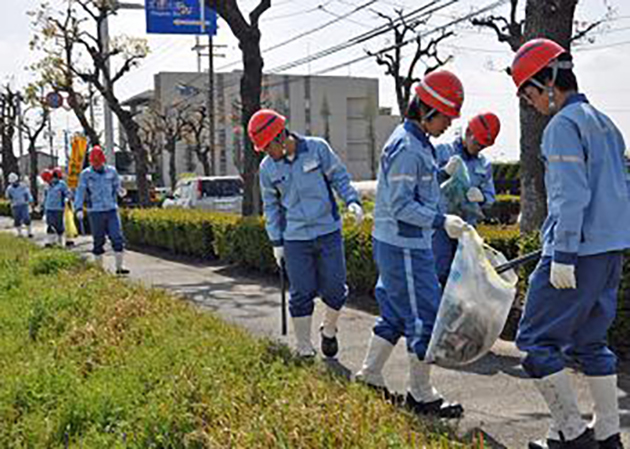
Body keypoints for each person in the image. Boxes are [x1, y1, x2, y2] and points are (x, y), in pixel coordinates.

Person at [512, 38, 629, 449]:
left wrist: (561, 255)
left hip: (575, 253)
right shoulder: (605, 122)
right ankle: (607, 436)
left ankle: (576, 438)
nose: (529, 102)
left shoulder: (562, 125)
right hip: (611, 252)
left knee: (535, 341)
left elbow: (570, 197)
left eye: (528, 92)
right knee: (591, 342)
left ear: (548, 81)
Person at [355, 70, 468, 418]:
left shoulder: (414, 140)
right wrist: (440, 221)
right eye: (446, 116)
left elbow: (410, 187)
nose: (449, 124)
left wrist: (439, 175)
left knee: (394, 311)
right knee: (425, 315)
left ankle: (370, 375)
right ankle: (420, 394)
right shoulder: (408, 146)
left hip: (395, 242)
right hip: (405, 244)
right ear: (427, 110)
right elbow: (402, 205)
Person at [250, 108, 364, 359]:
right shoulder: (268, 168)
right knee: (301, 291)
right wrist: (276, 242)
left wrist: (352, 201)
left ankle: (330, 329)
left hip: (328, 232)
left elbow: (340, 177)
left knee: (335, 289)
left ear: (281, 136)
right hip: (295, 239)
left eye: (269, 146)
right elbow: (271, 207)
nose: (268, 153)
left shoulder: (317, 148)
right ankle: (303, 345)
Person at [432, 112, 499, 287]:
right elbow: (424, 183)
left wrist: (482, 197)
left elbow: (490, 197)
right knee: (440, 272)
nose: (479, 148)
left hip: (466, 230)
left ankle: (456, 313)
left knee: (463, 277)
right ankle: (435, 313)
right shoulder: (442, 151)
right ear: (468, 132)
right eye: (477, 143)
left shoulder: (484, 164)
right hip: (442, 226)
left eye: (484, 146)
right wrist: (443, 173)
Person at [74, 145, 129, 275]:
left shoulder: (112, 171)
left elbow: (117, 186)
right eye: (94, 163)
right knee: (98, 240)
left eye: (98, 163)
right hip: (95, 211)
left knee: (117, 237)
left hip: (111, 209)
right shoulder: (86, 174)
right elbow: (80, 192)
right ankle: (99, 269)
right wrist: (78, 208)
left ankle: (119, 267)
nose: (96, 165)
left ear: (103, 160)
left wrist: (121, 191)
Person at [43, 167, 71, 247]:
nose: (53, 179)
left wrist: (66, 199)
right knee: (50, 225)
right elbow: (46, 196)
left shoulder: (62, 184)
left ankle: (60, 241)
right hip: (49, 208)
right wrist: (42, 206)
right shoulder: (48, 185)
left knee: (59, 226)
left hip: (58, 208)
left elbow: (68, 193)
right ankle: (51, 242)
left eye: (55, 178)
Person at [5, 172, 33, 238]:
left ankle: (29, 232)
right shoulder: (9, 189)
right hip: (15, 206)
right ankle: (19, 233)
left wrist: (30, 201)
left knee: (26, 219)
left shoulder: (23, 186)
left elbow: (28, 194)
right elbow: (7, 196)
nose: (13, 183)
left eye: (14, 182)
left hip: (24, 205)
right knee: (17, 220)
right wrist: (10, 199)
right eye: (12, 182)